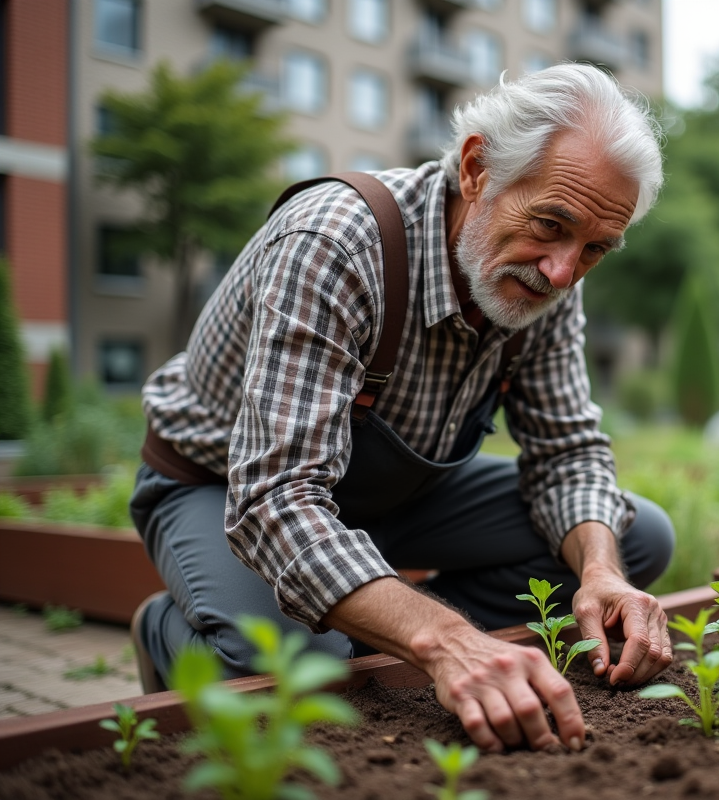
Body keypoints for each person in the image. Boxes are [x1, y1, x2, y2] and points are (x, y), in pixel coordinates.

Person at [129, 64, 675, 755]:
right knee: (290, 667)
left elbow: (567, 452)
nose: (563, 271)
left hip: (393, 499)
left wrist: (601, 574)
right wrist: (444, 641)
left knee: (637, 537)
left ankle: (367, 624)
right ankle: (170, 630)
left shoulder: (546, 277)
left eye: (595, 247)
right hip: (228, 488)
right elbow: (275, 501)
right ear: (477, 168)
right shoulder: (335, 243)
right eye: (550, 223)